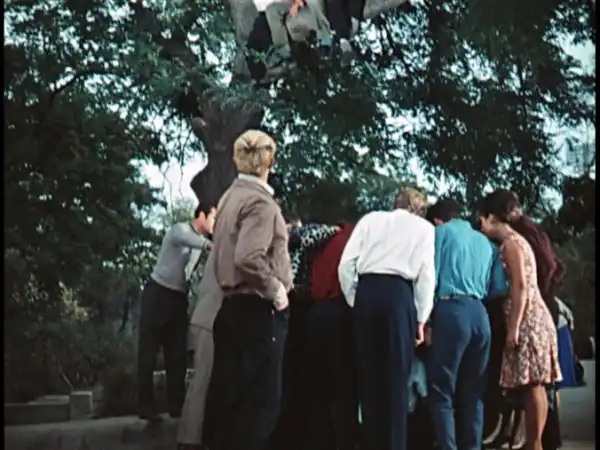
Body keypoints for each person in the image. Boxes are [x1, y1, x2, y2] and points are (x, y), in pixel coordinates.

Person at [203, 130, 293, 450]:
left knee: (228, 402)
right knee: (260, 404)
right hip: (258, 310)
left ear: (236, 158)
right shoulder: (261, 203)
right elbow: (248, 257)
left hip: (230, 308)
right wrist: (277, 291)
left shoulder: (229, 197)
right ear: (270, 161)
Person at [338, 187, 435, 450]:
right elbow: (426, 276)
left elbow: (346, 265)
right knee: (396, 381)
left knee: (368, 377)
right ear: (418, 210)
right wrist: (421, 318)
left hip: (367, 291)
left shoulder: (370, 219)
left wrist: (355, 299)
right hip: (399, 295)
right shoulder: (424, 229)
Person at [478, 190, 562, 450]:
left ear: (492, 218)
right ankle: (534, 442)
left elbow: (520, 286)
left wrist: (514, 327)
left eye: (482, 220)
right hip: (532, 316)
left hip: (528, 319)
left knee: (534, 384)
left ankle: (535, 442)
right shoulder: (518, 241)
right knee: (534, 384)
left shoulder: (511, 244)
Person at [425, 198, 502, 450]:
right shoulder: (486, 243)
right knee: (473, 393)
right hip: (480, 314)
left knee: (442, 391)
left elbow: (430, 278)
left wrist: (426, 320)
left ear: (438, 220)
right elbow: (498, 287)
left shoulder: (440, 234)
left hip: (450, 310)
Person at [137, 203, 215, 422]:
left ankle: (177, 405)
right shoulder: (180, 230)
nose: (216, 224)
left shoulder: (201, 244)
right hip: (158, 293)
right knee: (148, 353)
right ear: (202, 215)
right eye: (214, 218)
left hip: (178, 298)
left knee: (177, 354)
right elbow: (187, 239)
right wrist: (210, 245)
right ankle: (145, 406)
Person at [269, 217, 340, 450]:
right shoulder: (296, 238)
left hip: (298, 306)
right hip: (295, 303)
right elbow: (302, 237)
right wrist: (332, 229)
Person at [304, 222, 358, 450]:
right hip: (340, 310)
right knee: (345, 385)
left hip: (315, 311)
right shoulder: (354, 241)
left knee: (318, 385)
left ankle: (317, 441)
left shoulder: (325, 242)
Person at [177, 251, 223, 450]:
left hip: (208, 319)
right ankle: (190, 440)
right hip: (209, 320)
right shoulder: (227, 245)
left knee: (203, 381)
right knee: (202, 382)